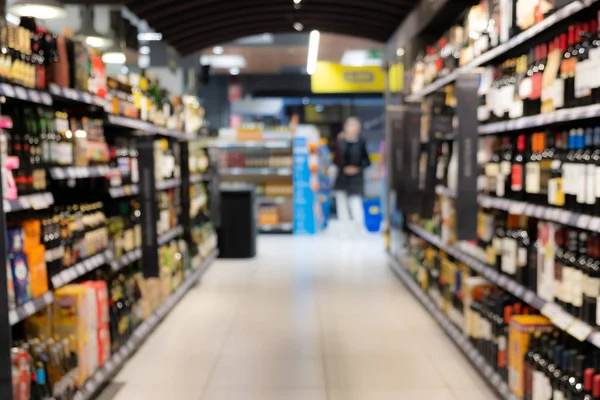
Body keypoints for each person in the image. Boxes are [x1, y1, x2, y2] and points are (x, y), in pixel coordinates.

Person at [334, 117, 371, 233]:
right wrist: (344, 168)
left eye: (354, 126)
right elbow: (335, 160)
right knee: (342, 204)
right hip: (342, 177)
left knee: (355, 204)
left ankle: (358, 229)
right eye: (349, 125)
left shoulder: (361, 142)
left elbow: (367, 161)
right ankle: (344, 230)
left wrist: (357, 169)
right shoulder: (340, 142)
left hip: (356, 178)